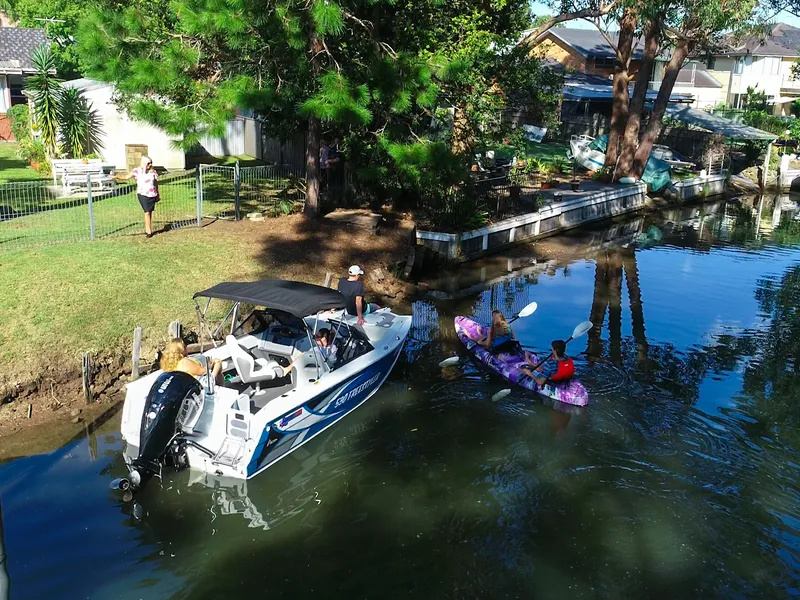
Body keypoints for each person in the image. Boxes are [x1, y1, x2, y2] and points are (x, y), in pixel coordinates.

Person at [116, 156, 160, 238]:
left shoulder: (153, 172)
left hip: (152, 195)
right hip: (142, 194)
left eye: (151, 163)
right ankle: (149, 231)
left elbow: (155, 183)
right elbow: (126, 177)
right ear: (144, 163)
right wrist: (116, 176)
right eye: (148, 163)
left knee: (150, 212)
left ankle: (148, 228)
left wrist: (158, 193)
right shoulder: (137, 171)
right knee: (147, 212)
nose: (150, 165)